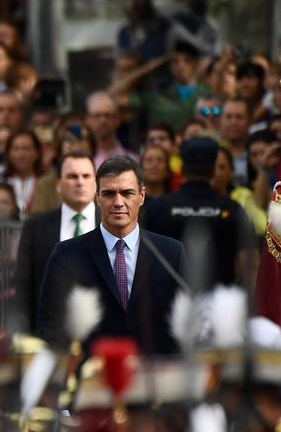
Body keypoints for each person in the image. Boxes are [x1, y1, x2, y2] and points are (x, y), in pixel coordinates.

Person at [37, 155, 185, 355]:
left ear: (142, 196)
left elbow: (187, 322)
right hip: (90, 377)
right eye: (108, 193)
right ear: (97, 196)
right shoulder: (66, 254)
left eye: (127, 193)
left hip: (155, 377)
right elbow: (51, 324)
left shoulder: (170, 253)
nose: (118, 202)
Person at [142, 137, 256, 291]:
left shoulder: (156, 208)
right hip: (219, 304)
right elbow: (250, 265)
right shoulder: (231, 208)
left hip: (168, 305)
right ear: (213, 169)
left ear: (182, 167)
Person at [15, 152, 98, 334]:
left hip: (102, 332)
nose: (80, 182)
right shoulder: (35, 227)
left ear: (95, 184)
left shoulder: (112, 223)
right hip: (50, 332)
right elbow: (24, 285)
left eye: (86, 176)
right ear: (58, 185)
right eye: (72, 176)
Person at [86, 91, 137, 168]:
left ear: (117, 119)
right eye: (97, 115)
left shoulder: (132, 160)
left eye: (108, 115)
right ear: (88, 120)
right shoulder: (80, 161)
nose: (102, 120)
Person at [3, 129, 45, 218]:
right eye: (16, 149)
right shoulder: (1, 182)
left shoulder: (45, 183)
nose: (21, 154)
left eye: (26, 149)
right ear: (9, 153)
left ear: (37, 153)